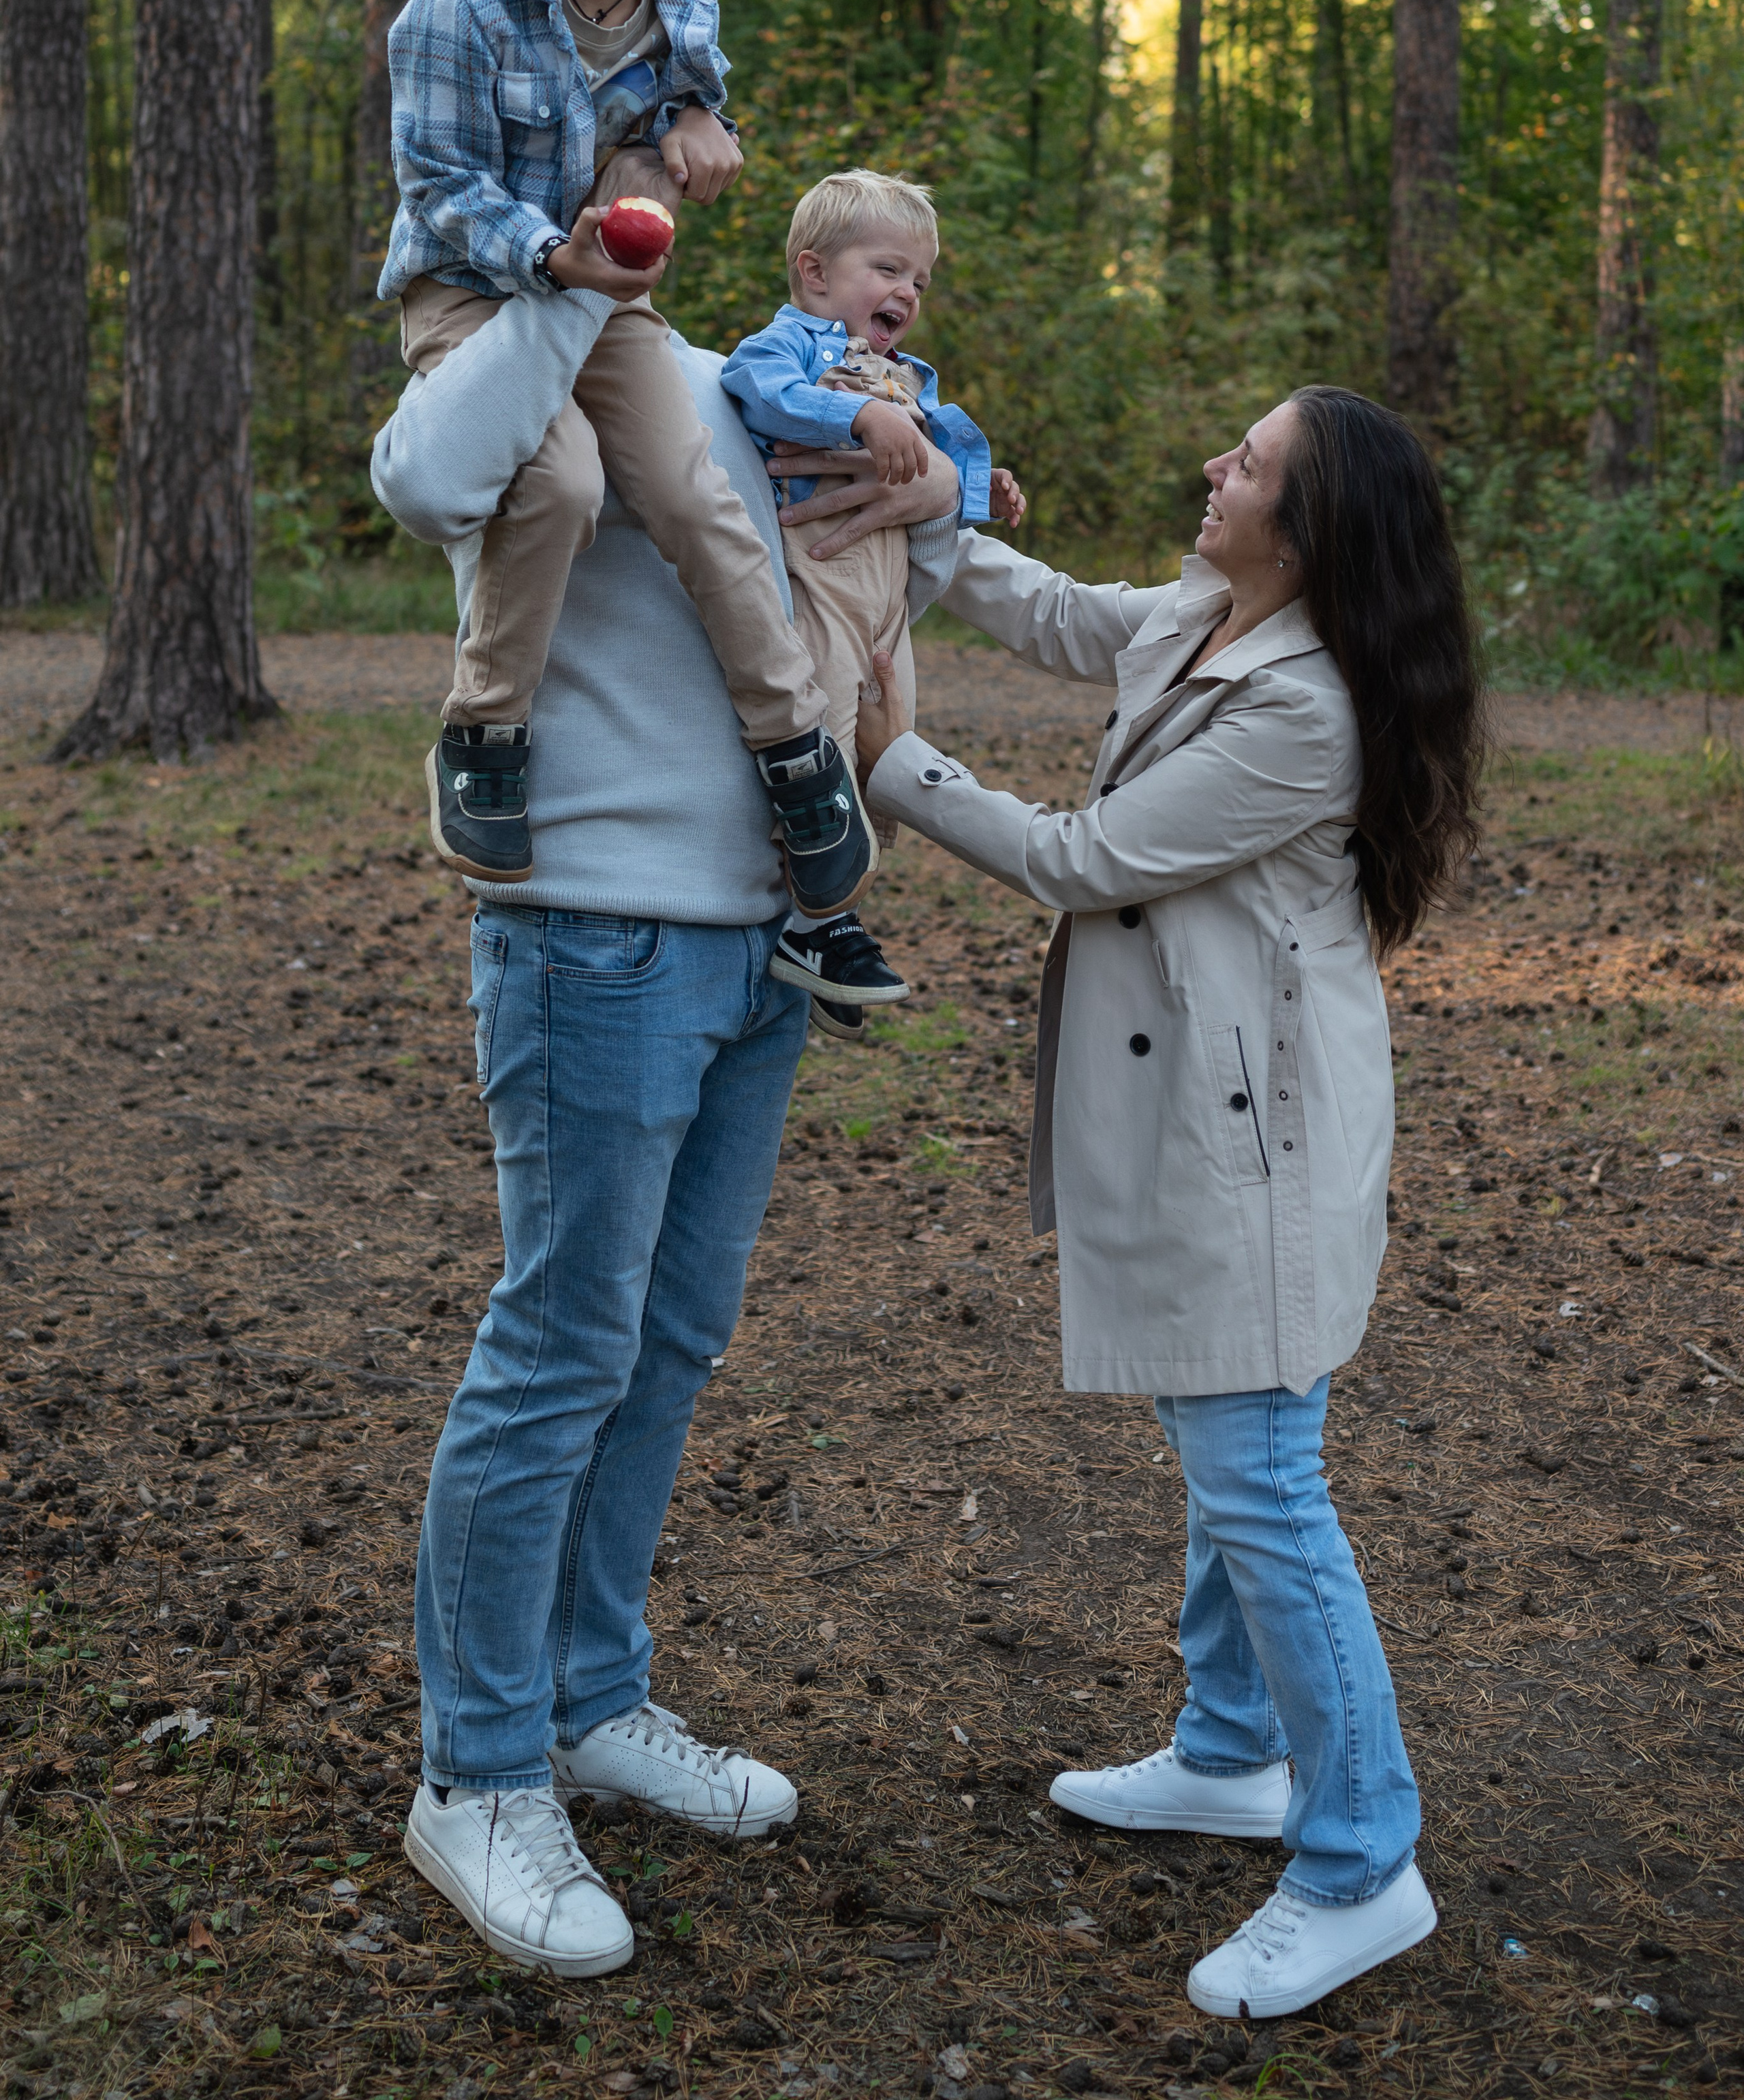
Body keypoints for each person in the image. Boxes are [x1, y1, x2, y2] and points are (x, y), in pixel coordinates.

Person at [856, 384, 1484, 2020]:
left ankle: (1359, 1856)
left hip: (1253, 1136)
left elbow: (1083, 857)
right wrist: (933, 510)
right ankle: (1227, 1750)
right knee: (1233, 1446)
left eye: (1251, 463)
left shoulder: (1305, 709)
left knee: (1260, 1474)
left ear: (1314, 524)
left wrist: (887, 760)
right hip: (1225, 1099)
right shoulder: (1218, 610)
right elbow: (1059, 611)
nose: (1215, 466)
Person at [371, 279, 963, 1977]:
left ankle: (587, 1695)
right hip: (594, 923)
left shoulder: (760, 387)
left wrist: (925, 493)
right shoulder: (528, 356)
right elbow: (423, 486)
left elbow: (857, 601)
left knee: (672, 1333)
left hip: (763, 935)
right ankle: (475, 1770)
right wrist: (557, 287)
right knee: (562, 1340)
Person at [379, 0, 874, 934]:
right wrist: (554, 253)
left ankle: (795, 742)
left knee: (696, 497)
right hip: (477, 294)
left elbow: (685, 104)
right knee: (557, 485)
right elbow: (439, 185)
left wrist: (707, 125)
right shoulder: (458, 11)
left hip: (609, 302)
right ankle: (486, 729)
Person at [722, 170, 1026, 1031]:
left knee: (882, 751)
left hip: (888, 594)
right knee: (814, 738)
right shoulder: (789, 347)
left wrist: (981, 486)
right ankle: (816, 923)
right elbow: (757, 391)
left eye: (920, 282)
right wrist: (857, 420)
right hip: (818, 573)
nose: (908, 293)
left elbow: (932, 462)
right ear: (816, 274)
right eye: (889, 270)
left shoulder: (906, 376)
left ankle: (832, 919)